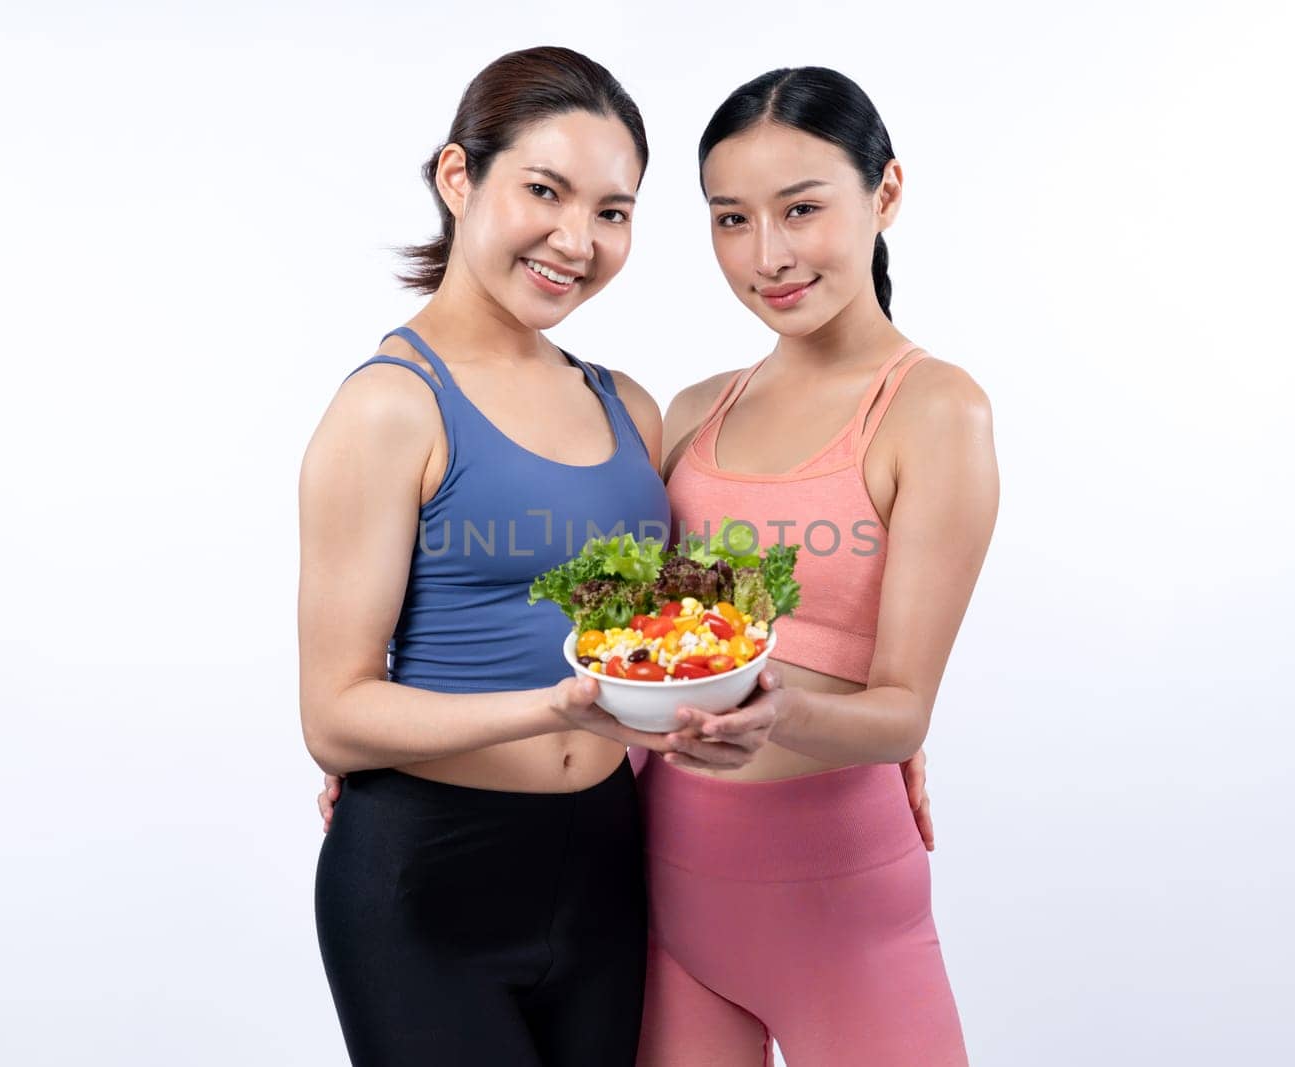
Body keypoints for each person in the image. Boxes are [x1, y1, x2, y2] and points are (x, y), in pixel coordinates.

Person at [300, 46, 700, 1066]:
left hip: (608, 864)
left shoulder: (630, 408)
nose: (578, 238)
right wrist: (552, 706)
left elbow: (685, 636)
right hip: (427, 878)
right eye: (544, 190)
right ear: (456, 177)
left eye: (612, 211)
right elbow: (336, 714)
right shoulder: (392, 406)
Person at [632, 67, 998, 1066]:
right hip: (668, 907)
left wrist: (779, 709)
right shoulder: (692, 411)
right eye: (730, 219)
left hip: (843, 914)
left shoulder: (931, 411)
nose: (768, 254)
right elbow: (641, 657)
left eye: (802, 209)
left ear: (883, 192)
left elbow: (901, 711)